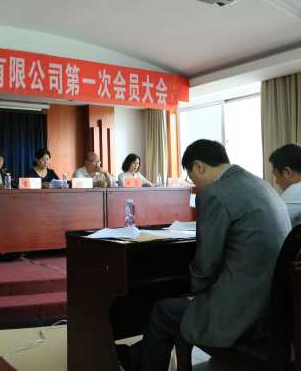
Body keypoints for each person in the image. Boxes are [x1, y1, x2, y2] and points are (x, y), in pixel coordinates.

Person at [117, 139, 291, 371]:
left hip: (241, 312)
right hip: (274, 309)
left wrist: (194, 293)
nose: (195, 186)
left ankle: (137, 359)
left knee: (162, 311)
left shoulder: (215, 193)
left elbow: (206, 266)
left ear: (199, 166)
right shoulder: (261, 184)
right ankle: (136, 356)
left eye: (192, 178)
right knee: (177, 306)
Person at [269, 143, 301, 226]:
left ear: (287, 172)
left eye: (276, 175)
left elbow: (266, 222)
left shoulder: (297, 189)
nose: (276, 181)